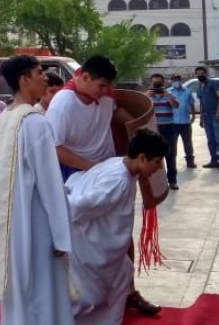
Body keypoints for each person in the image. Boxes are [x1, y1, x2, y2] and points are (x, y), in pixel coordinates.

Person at [44, 55, 157, 316]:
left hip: (110, 171)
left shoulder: (105, 96)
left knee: (121, 232)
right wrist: (92, 169)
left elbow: (122, 116)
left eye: (109, 86)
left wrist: (142, 134)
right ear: (84, 77)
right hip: (76, 173)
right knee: (78, 240)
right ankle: (71, 297)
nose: (106, 92)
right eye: (101, 86)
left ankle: (128, 291)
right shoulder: (63, 103)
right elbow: (55, 148)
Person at [0, 55, 73, 325]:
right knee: (43, 289)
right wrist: (62, 235)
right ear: (24, 80)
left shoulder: (6, 118)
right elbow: (50, 184)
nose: (45, 77)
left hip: (11, 224)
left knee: (18, 290)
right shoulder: (34, 122)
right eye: (39, 72)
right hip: (36, 223)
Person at [67, 129, 168, 325]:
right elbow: (78, 206)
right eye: (157, 162)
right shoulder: (118, 181)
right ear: (142, 157)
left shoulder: (119, 165)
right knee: (87, 299)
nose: (158, 168)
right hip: (88, 245)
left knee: (123, 275)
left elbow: (149, 201)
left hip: (102, 240)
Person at [146, 74, 180, 191]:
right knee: (153, 156)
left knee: (170, 155)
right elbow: (141, 109)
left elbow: (176, 106)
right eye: (154, 83)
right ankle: (157, 183)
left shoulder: (169, 94)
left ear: (163, 83)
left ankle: (172, 181)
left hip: (169, 128)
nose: (156, 86)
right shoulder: (147, 97)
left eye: (158, 84)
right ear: (150, 84)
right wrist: (147, 96)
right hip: (154, 129)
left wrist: (167, 96)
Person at [193, 67, 219, 169]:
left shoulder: (213, 83)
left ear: (206, 73)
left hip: (215, 115)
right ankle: (213, 160)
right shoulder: (199, 86)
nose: (200, 75)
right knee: (210, 140)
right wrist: (201, 118)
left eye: (202, 73)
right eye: (198, 74)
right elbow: (202, 103)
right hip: (206, 117)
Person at [167, 74, 196, 169]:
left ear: (180, 80)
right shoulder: (168, 92)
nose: (175, 81)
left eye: (177, 79)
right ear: (171, 81)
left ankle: (190, 162)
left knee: (188, 143)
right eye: (173, 79)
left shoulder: (187, 91)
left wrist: (193, 115)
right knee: (172, 144)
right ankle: (172, 163)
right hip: (172, 122)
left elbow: (191, 104)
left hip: (185, 122)